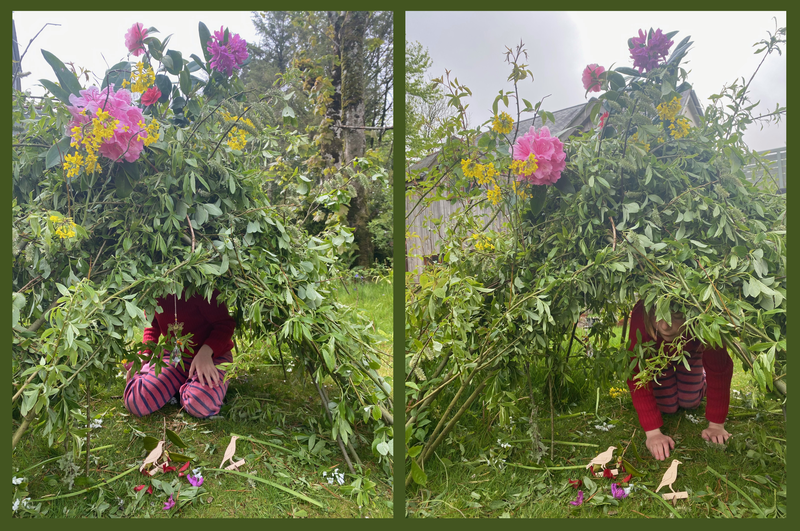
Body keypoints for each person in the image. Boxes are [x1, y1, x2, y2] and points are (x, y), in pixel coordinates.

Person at [626, 300, 733, 460]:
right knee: (668, 406)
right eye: (658, 315)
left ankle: (699, 375)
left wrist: (716, 425)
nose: (665, 326)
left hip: (690, 351)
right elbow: (637, 374)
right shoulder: (642, 313)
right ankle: (671, 371)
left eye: (676, 316)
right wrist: (653, 433)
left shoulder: (706, 316)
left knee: (690, 401)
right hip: (656, 359)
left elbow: (719, 370)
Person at [123, 290, 236, 419]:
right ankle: (169, 380)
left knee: (200, 405)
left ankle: (181, 386)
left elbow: (225, 324)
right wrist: (145, 354)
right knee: (136, 401)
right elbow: (152, 324)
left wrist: (206, 352)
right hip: (176, 356)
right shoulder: (154, 289)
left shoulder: (202, 288)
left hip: (212, 356)